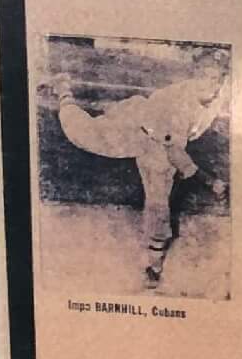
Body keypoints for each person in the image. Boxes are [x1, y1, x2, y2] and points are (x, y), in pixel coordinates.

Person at [52, 63, 228, 287]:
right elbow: (176, 155)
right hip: (137, 131)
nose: (212, 85)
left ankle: (154, 264)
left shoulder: (215, 95)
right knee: (82, 133)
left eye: (217, 80)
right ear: (194, 79)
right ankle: (63, 88)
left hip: (160, 135)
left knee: (159, 196)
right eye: (206, 78)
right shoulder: (175, 106)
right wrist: (211, 182)